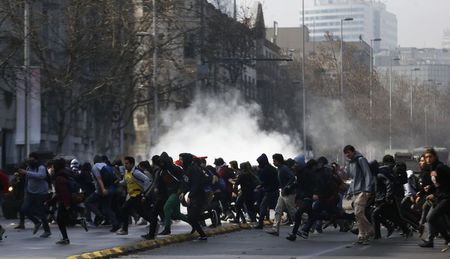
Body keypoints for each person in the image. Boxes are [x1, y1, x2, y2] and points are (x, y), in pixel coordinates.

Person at [344, 145, 374, 245]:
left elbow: (367, 174)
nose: (347, 155)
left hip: (363, 191)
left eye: (348, 152)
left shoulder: (360, 160)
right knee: (358, 214)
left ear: (353, 151)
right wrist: (349, 192)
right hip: (355, 191)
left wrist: (368, 189)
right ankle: (363, 235)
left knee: (358, 212)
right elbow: (352, 180)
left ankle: (368, 231)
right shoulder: (350, 163)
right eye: (346, 153)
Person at [116, 156, 152, 235]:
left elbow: (147, 180)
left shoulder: (136, 172)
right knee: (141, 212)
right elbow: (125, 181)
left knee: (124, 208)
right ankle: (154, 223)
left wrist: (144, 194)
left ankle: (124, 229)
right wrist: (118, 183)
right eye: (125, 163)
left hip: (138, 195)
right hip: (132, 195)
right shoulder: (127, 172)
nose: (125, 165)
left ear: (132, 164)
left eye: (127, 163)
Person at [18, 152, 51, 238]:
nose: (30, 161)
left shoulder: (41, 167)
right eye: (29, 159)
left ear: (36, 159)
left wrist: (26, 172)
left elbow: (41, 176)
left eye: (32, 160)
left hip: (41, 193)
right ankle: (36, 222)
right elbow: (27, 180)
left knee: (41, 211)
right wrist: (26, 191)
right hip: (30, 192)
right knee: (24, 209)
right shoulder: (29, 167)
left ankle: (47, 231)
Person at [179, 153, 208, 241]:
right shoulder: (187, 169)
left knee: (192, 217)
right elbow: (187, 183)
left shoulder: (194, 169)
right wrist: (183, 193)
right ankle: (202, 235)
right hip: (191, 195)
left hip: (198, 195)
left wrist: (190, 196)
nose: (180, 161)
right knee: (191, 217)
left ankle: (210, 216)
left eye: (181, 159)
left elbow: (196, 184)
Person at [266, 154, 296, 236]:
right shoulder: (279, 169)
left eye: (274, 160)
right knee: (278, 210)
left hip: (289, 193)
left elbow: (292, 178)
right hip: (283, 193)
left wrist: (286, 188)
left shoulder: (284, 169)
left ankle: (310, 219)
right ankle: (275, 229)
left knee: (292, 211)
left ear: (279, 161)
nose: (273, 162)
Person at [254, 153, 279, 229]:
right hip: (274, 190)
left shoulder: (266, 169)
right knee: (276, 207)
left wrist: (260, 186)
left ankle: (260, 224)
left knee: (263, 206)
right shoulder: (271, 168)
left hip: (269, 191)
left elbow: (264, 180)